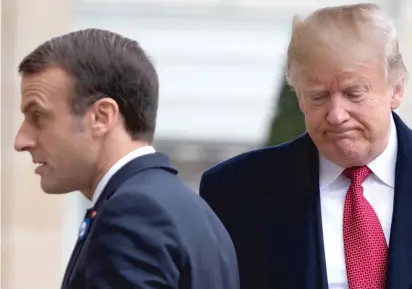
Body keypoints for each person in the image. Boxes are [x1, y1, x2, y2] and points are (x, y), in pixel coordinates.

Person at [200, 3, 412, 289]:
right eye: (318, 96)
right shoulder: (235, 190)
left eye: (354, 93)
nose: (336, 115)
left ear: (396, 89)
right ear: (299, 97)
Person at [14, 28, 239, 289]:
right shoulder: (195, 213)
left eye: (38, 117)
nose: (21, 141)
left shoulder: (133, 213)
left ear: (102, 116)